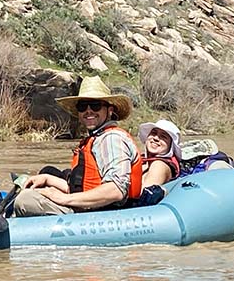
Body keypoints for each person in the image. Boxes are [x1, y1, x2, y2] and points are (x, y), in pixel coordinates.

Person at [12, 76, 142, 216]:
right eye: (82, 106)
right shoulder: (97, 138)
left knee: (26, 200)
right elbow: (84, 188)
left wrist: (65, 199)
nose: (88, 111)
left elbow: (116, 190)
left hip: (106, 214)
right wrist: (47, 179)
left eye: (95, 105)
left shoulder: (111, 139)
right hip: (92, 209)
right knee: (43, 181)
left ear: (110, 110)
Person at [138, 119, 182, 187]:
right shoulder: (143, 160)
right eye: (154, 133)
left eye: (163, 137)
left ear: (171, 146)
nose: (156, 138)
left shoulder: (159, 165)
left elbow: (146, 192)